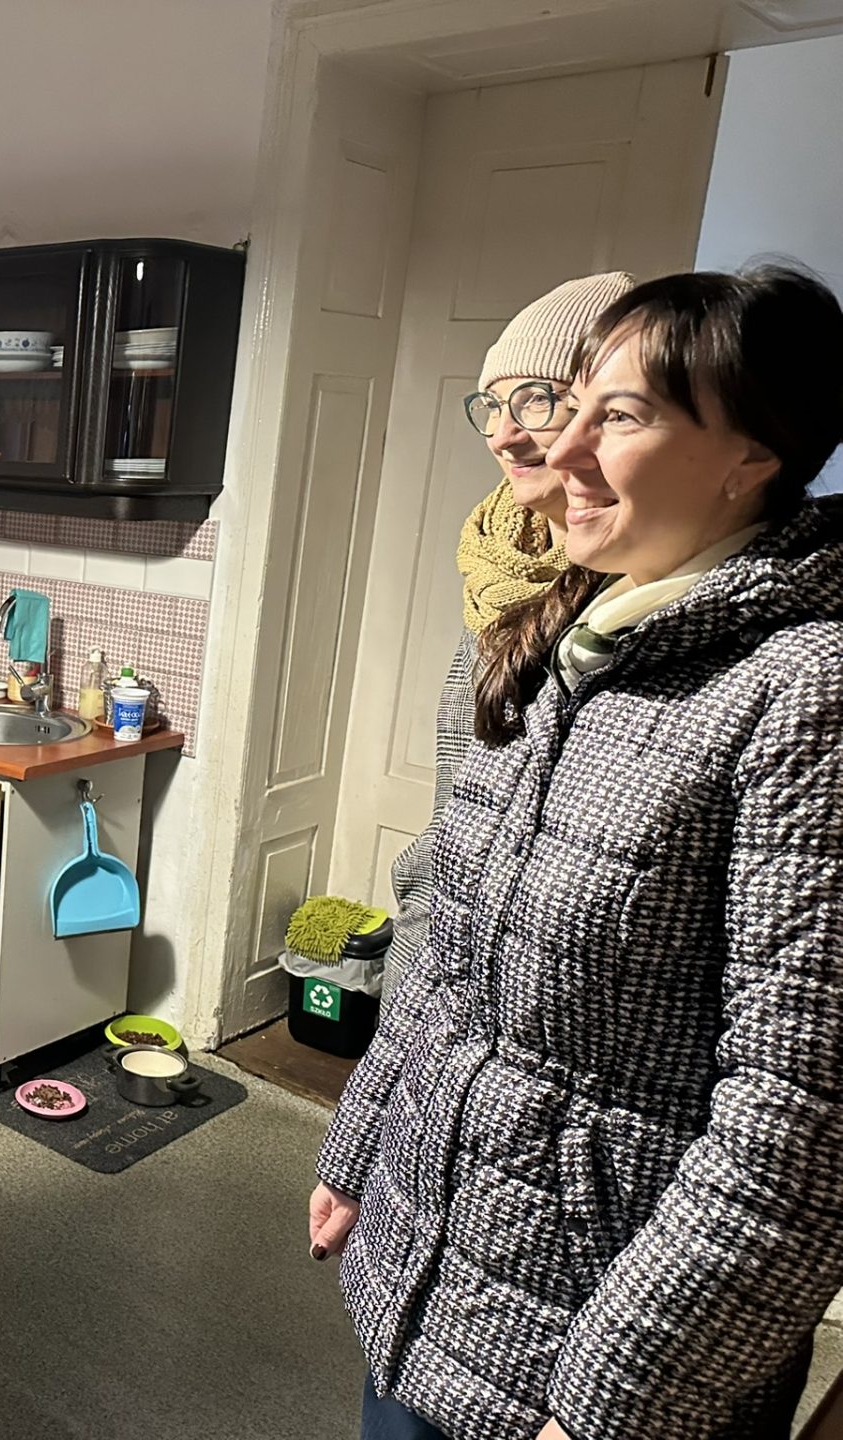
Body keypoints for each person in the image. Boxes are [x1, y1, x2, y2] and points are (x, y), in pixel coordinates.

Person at [309, 265, 843, 1440]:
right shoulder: (563, 641)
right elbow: (447, 945)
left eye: (622, 415)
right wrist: (358, 1145)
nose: (559, 450)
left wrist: (615, 1402)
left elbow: (800, 1129)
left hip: (602, 1355)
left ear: (753, 455)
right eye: (573, 407)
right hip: (427, 1275)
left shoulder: (806, 692)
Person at [383, 272, 633, 1000]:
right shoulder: (497, 566)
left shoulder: (640, 598)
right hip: (440, 950)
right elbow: (452, 817)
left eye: (537, 400)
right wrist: (407, 987)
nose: (502, 435)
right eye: (493, 405)